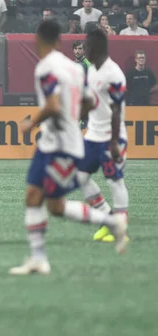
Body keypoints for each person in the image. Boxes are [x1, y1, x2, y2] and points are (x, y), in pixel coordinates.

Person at [9, 21, 127, 276]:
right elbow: (88, 101)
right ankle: (38, 258)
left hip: (60, 146)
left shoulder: (45, 68)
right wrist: (74, 119)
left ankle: (112, 222)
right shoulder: (74, 69)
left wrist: (30, 123)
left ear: (38, 40)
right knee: (33, 196)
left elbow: (51, 105)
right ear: (59, 41)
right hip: (54, 142)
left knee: (55, 206)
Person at [73, 28, 130, 243]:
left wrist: (115, 142)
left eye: (86, 46)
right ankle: (108, 219)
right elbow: (91, 100)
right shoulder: (93, 70)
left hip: (112, 137)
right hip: (93, 135)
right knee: (79, 176)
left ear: (95, 47)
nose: (83, 49)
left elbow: (116, 109)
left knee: (114, 181)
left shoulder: (113, 73)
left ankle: (121, 229)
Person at [73, 40, 91, 129]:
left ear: (84, 51)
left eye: (80, 49)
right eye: (75, 49)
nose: (77, 51)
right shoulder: (79, 64)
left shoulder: (83, 65)